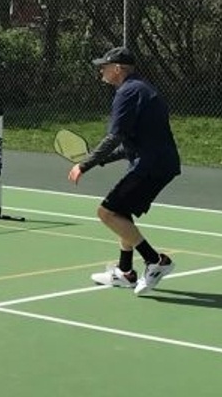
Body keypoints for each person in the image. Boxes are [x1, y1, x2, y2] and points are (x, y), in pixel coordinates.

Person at [68, 46, 181, 295]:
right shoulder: (141, 88)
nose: (101, 70)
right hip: (160, 162)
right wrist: (101, 160)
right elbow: (137, 141)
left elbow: (115, 137)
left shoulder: (127, 92)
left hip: (152, 165)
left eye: (105, 66)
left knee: (107, 212)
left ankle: (156, 261)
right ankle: (125, 272)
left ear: (117, 69)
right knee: (121, 211)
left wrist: (84, 165)